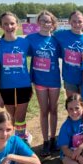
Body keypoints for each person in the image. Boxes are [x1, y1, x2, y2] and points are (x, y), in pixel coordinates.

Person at [0, 12, 33, 145]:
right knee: (11, 117)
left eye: (12, 23)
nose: (9, 26)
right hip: (6, 87)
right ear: (1, 26)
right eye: (6, 24)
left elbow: (42, 50)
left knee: (20, 117)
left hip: (24, 85)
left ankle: (19, 142)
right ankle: (19, 137)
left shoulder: (25, 43)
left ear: (17, 25)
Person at [26, 10, 61, 156]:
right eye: (43, 21)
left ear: (53, 24)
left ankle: (53, 139)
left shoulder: (56, 40)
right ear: (38, 23)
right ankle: (45, 141)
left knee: (53, 110)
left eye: (48, 21)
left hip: (53, 80)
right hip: (39, 81)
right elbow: (15, 45)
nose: (46, 24)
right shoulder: (31, 38)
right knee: (44, 111)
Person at [54, 11, 83, 97]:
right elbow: (48, 35)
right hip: (69, 78)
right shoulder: (61, 34)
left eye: (79, 21)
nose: (77, 24)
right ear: (69, 21)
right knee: (73, 104)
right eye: (74, 21)